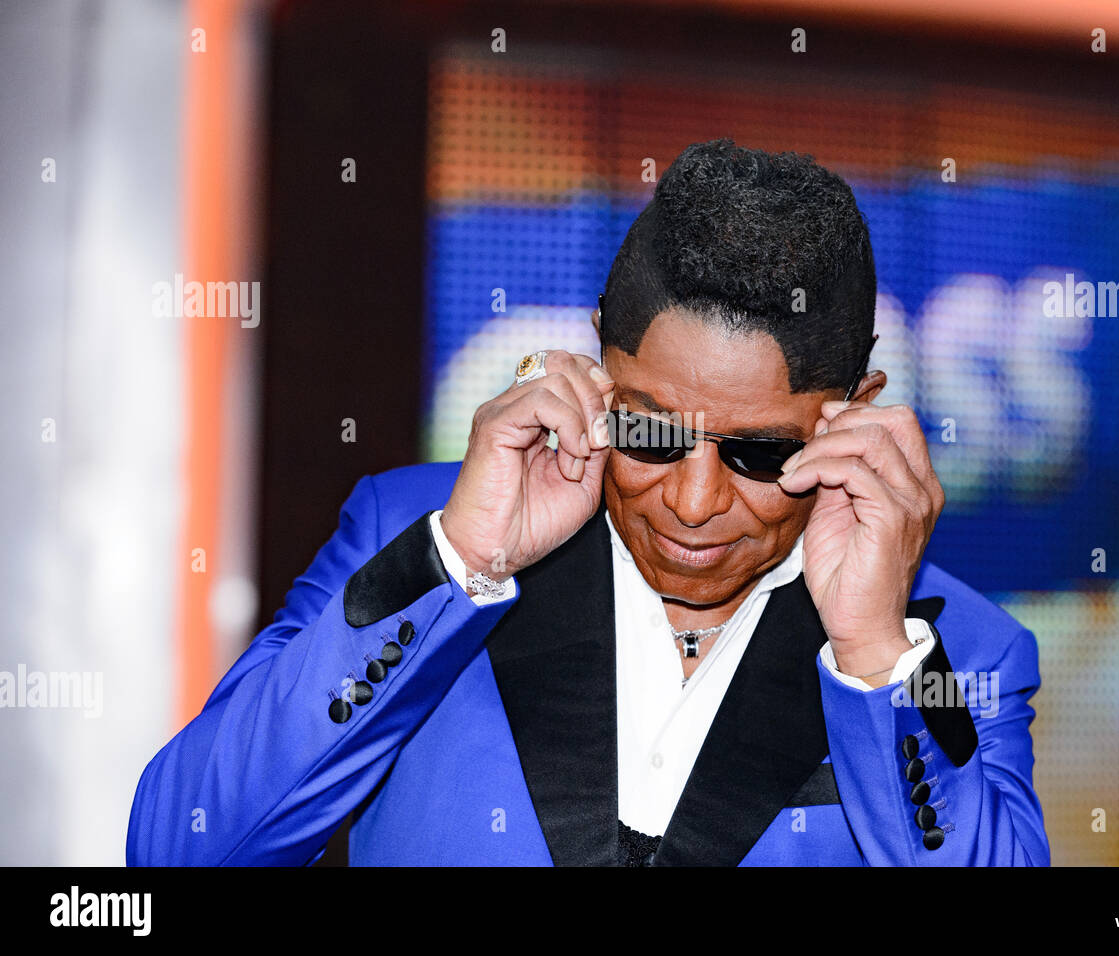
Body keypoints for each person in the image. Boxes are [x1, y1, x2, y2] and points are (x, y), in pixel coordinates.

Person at [127, 138, 1049, 866]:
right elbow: (180, 850)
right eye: (650, 432)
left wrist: (875, 653)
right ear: (598, 362)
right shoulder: (411, 535)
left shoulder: (948, 653)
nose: (692, 502)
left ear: (857, 415)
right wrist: (461, 562)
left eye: (760, 455)